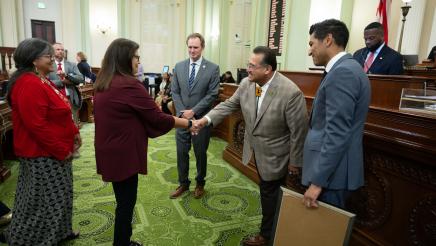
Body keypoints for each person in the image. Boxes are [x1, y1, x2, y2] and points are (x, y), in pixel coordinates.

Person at [192, 46, 308, 246]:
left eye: (252, 66)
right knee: (267, 192)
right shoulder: (247, 83)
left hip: (277, 155)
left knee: (271, 195)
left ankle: (267, 236)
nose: (248, 69)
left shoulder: (290, 92)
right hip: (257, 151)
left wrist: (295, 162)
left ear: (268, 69)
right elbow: (228, 105)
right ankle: (273, 230)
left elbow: (299, 131)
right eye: (248, 64)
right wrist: (205, 120)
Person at [93, 38, 192, 246]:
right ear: (125, 58)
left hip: (108, 150)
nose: (139, 61)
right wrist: (189, 124)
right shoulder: (129, 84)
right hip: (123, 154)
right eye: (136, 56)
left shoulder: (104, 81)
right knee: (126, 205)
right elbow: (157, 119)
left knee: (122, 201)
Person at [6, 38, 81, 245]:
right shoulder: (28, 83)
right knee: (44, 202)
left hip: (54, 151)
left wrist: (74, 131)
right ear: (33, 60)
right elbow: (37, 126)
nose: (53, 58)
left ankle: (61, 232)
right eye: (48, 55)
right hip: (42, 154)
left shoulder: (40, 78)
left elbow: (61, 107)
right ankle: (38, 240)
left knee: (61, 196)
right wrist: (60, 149)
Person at [303, 19, 371, 210]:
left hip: (332, 177)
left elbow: (337, 132)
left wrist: (317, 181)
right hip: (333, 173)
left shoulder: (343, 73)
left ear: (328, 40)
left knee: (325, 236)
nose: (309, 51)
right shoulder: (347, 68)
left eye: (311, 44)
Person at [170, 33, 220, 199]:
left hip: (200, 120)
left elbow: (212, 94)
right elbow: (175, 91)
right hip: (182, 119)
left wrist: (194, 111)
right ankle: (183, 183)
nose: (192, 50)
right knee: (181, 152)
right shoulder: (179, 66)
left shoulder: (213, 68)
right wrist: (184, 112)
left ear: (202, 47)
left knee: (200, 153)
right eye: (190, 47)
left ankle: (200, 183)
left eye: (195, 47)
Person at [48, 43, 84, 125]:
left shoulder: (72, 64)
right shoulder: (49, 65)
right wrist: (62, 82)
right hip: (55, 99)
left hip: (70, 98)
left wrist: (68, 77)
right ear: (52, 52)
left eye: (62, 50)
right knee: (59, 125)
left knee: (74, 124)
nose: (60, 51)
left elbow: (81, 78)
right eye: (58, 49)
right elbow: (46, 81)